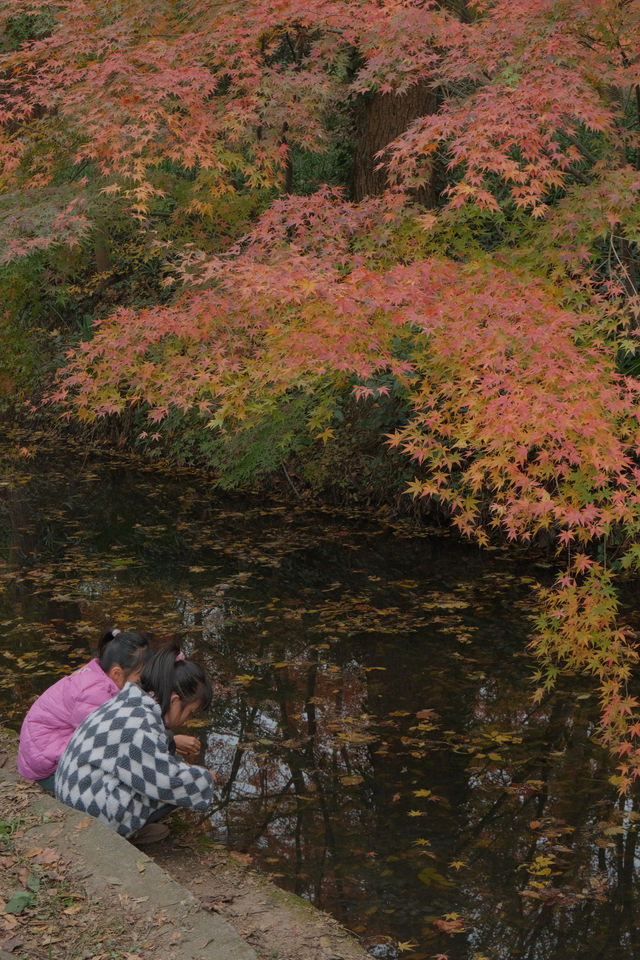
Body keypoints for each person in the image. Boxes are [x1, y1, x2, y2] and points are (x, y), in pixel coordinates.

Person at [54, 643, 216, 844]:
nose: (187, 720)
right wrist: (205, 779)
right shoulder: (142, 723)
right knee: (177, 787)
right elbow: (165, 781)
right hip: (87, 815)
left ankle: (128, 825)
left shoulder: (130, 700)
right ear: (174, 701)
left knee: (168, 753)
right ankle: (121, 833)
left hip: (72, 794)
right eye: (189, 712)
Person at [18, 628, 150, 791]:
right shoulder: (92, 694)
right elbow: (109, 736)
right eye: (138, 676)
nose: (140, 680)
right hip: (48, 768)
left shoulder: (97, 676)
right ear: (117, 673)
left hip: (44, 748)